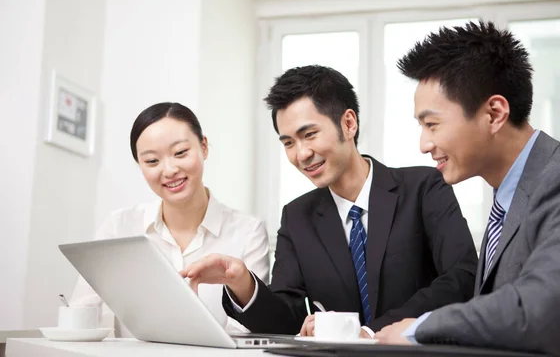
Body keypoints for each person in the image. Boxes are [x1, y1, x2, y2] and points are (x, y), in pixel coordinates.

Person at [180, 65, 478, 337]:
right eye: (288, 143)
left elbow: (461, 276)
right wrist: (242, 281)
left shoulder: (422, 187)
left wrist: (368, 333)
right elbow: (287, 316)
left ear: (348, 124)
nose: (301, 154)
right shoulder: (297, 217)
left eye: (309, 134)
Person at [374, 21, 560, 356]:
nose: (424, 144)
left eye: (432, 124)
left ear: (494, 113)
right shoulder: (508, 198)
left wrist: (417, 328)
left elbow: (535, 313)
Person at [70, 102, 269, 335]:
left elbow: (246, 332)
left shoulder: (248, 232)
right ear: (140, 165)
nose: (169, 170)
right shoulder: (119, 227)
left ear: (203, 147)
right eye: (152, 161)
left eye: (180, 153)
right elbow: (81, 314)